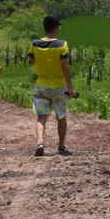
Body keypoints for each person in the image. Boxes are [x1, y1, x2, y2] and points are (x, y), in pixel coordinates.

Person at [28, 15, 77, 156]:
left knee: (41, 117)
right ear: (56, 27)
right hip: (58, 86)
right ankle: (61, 147)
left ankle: (40, 142)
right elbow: (66, 68)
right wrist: (70, 88)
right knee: (61, 116)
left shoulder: (35, 44)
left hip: (41, 85)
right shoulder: (62, 45)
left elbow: (31, 62)